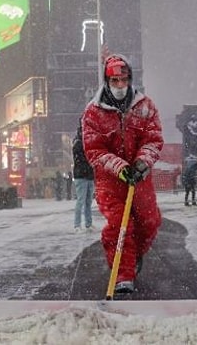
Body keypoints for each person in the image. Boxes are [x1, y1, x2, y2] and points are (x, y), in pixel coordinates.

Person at [82, 54, 164, 295]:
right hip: (110, 180)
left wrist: (142, 162)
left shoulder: (145, 106)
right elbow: (94, 149)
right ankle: (123, 274)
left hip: (140, 177)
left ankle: (133, 255)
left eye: (124, 80)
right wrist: (119, 167)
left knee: (149, 222)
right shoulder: (93, 113)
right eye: (115, 81)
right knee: (121, 225)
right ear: (106, 81)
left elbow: (153, 138)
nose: (120, 86)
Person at [72, 123, 95, 233]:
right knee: (81, 201)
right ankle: (77, 225)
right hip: (82, 175)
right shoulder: (78, 144)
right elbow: (83, 158)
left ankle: (88, 224)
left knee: (88, 201)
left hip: (88, 175)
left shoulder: (86, 143)